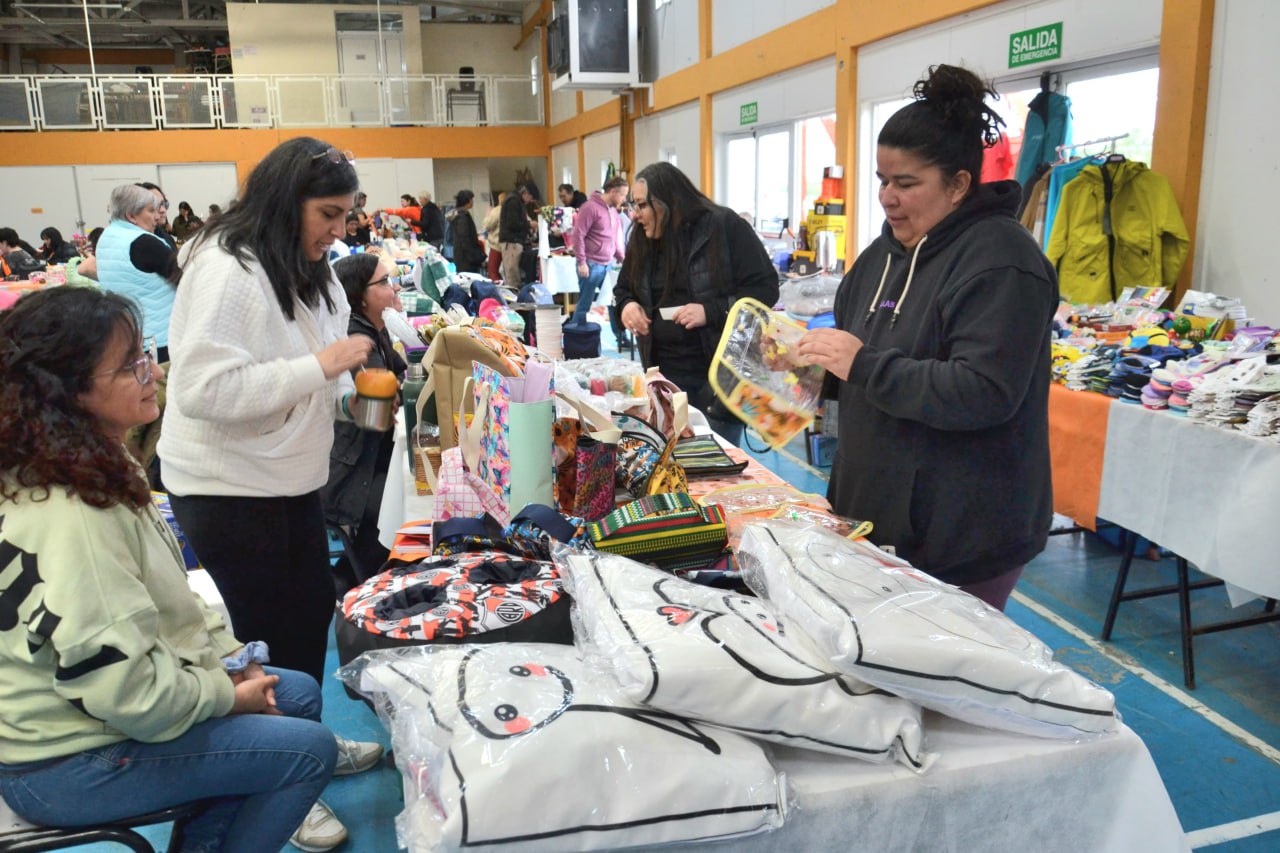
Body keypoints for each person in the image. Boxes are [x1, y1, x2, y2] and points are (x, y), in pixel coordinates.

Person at [0, 287, 340, 851]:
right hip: (63, 763)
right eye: (131, 365)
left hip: (89, 723)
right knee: (308, 750)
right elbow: (124, 693)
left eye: (146, 354)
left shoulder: (87, 465)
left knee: (296, 694)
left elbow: (171, 607)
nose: (152, 373)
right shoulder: (77, 515)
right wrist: (227, 695)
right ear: (69, 392)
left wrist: (232, 665)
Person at [157, 137, 384, 846]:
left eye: (348, 215)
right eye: (328, 213)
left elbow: (318, 362)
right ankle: (282, 774)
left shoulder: (310, 265)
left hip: (287, 478)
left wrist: (350, 398)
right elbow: (202, 389)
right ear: (287, 201)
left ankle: (305, 743)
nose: (339, 231)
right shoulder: (227, 267)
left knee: (308, 611)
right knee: (264, 632)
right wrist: (323, 366)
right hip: (228, 488)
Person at [795, 64, 1057, 611]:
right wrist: (811, 374)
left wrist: (863, 365)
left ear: (959, 183)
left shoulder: (1003, 263)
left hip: (963, 534)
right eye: (883, 181)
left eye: (907, 183)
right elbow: (856, 361)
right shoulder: (881, 255)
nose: (888, 197)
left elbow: (983, 391)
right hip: (876, 516)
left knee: (942, 684)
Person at [615, 162, 779, 444]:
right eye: (634, 205)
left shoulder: (724, 227)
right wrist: (627, 305)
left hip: (716, 381)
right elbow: (623, 288)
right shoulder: (643, 238)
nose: (636, 214)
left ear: (666, 202)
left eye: (642, 205)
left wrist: (712, 311)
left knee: (713, 461)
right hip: (664, 378)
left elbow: (765, 288)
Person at [321, 253, 406, 593]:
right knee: (398, 510)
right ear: (358, 296)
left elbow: (405, 375)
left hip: (370, 460)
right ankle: (355, 586)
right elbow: (379, 414)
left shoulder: (377, 328)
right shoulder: (358, 340)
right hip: (352, 475)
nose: (394, 287)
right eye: (384, 282)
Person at [96, 184, 177, 362]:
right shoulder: (144, 243)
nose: (157, 216)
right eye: (151, 211)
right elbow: (184, 278)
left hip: (128, 335)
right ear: (131, 216)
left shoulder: (107, 236)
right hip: (159, 338)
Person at [569, 176, 627, 325]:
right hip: (591, 264)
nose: (624, 199)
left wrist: (623, 259)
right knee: (585, 304)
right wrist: (582, 262)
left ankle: (620, 336)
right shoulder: (589, 207)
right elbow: (578, 235)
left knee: (614, 301)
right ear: (613, 192)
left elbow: (614, 238)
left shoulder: (613, 211)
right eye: (623, 195)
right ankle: (577, 335)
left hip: (607, 265)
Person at [499, 184, 535, 286]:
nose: (529, 201)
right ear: (526, 193)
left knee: (513, 273)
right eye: (530, 197)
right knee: (512, 274)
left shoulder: (515, 200)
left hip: (513, 241)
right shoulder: (513, 201)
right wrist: (529, 224)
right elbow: (512, 223)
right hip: (511, 242)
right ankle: (514, 298)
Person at [448, 189, 486, 274]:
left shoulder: (457, 214)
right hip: (466, 258)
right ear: (467, 201)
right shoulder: (463, 217)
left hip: (461, 255)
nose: (472, 202)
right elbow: (464, 238)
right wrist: (473, 254)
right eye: (472, 200)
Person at [136, 182, 177, 250]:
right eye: (155, 205)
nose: (163, 210)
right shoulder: (135, 242)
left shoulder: (167, 238)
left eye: (164, 203)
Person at [483, 190, 506, 280]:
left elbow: (487, 226)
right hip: (511, 246)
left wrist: (488, 215)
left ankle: (498, 288)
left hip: (497, 245)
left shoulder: (497, 210)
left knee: (492, 271)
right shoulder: (516, 209)